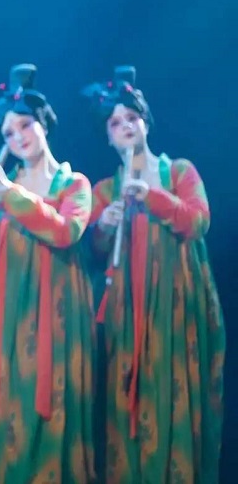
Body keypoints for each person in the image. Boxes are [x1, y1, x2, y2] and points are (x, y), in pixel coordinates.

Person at [0, 65, 97, 483]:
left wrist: (11, 197)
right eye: (9, 132)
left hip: (49, 320)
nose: (18, 137)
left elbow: (67, 231)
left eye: (25, 125)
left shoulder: (73, 184)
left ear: (43, 124)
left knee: (43, 409)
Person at [82, 66, 224, 482]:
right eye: (115, 123)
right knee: (127, 393)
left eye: (132, 117)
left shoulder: (178, 172)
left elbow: (199, 220)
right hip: (126, 312)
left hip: (175, 306)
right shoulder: (104, 190)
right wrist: (103, 226)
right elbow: (94, 253)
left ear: (146, 122)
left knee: (174, 388)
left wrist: (153, 197)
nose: (125, 126)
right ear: (108, 136)